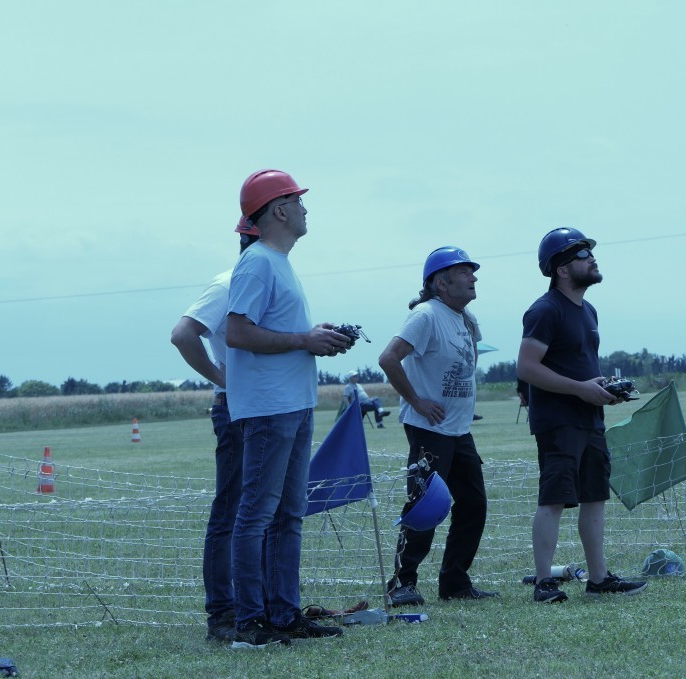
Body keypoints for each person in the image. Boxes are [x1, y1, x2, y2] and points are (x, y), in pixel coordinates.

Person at [225, 169, 354, 647]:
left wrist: (313, 336)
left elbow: (268, 329)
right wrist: (304, 339)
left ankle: (283, 614)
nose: (305, 208)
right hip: (268, 409)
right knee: (258, 514)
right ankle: (251, 621)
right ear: (280, 210)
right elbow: (237, 332)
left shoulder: (277, 262)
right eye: (298, 200)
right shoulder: (258, 262)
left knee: (288, 514)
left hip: (293, 405)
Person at [517, 227, 647, 604]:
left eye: (590, 252)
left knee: (594, 498)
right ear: (561, 268)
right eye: (582, 254)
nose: (591, 258)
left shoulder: (588, 310)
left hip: (590, 418)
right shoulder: (545, 310)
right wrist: (579, 388)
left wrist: (603, 390)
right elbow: (527, 367)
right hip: (558, 422)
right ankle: (544, 583)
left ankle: (599, 578)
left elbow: (577, 365)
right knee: (553, 499)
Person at [379, 246, 498, 606]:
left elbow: (469, 361)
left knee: (473, 505)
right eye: (464, 272)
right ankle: (402, 584)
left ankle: (455, 583)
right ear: (440, 282)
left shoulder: (467, 319)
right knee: (425, 506)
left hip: (459, 431)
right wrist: (416, 400)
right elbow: (388, 358)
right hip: (428, 429)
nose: (473, 277)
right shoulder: (425, 316)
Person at [169, 217, 259, 643]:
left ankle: (255, 606)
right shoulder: (227, 284)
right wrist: (220, 378)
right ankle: (222, 613)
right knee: (231, 513)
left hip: (264, 410)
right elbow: (183, 334)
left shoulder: (267, 281)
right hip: (236, 410)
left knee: (259, 512)